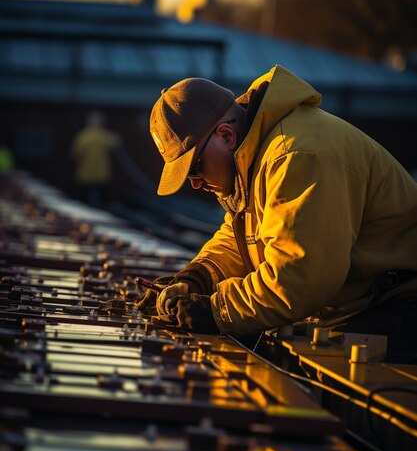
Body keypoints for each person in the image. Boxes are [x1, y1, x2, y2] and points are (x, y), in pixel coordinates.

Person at [141, 65, 417, 361]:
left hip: (401, 308)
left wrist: (216, 310)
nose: (195, 183)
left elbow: (297, 280)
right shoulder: (259, 154)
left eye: (195, 168)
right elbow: (243, 238)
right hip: (370, 304)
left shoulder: (296, 156)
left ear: (225, 135)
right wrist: (197, 278)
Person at [71, 111, 121, 207]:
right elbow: (116, 143)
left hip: (85, 175)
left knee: (83, 202)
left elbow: (75, 154)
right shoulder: (104, 136)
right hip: (101, 175)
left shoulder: (82, 136)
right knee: (102, 203)